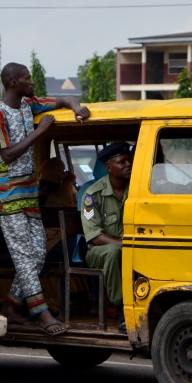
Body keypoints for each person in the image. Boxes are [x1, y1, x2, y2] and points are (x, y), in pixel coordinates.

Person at [0, 62, 90, 335]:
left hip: (28, 193)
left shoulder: (28, 105)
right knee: (23, 256)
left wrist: (76, 108)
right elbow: (6, 155)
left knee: (38, 253)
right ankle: (41, 313)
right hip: (7, 195)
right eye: (27, 79)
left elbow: (63, 99)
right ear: (13, 83)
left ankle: (11, 307)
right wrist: (40, 132)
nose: (32, 82)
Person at [81, 141, 132, 330]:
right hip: (98, 252)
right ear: (109, 168)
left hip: (127, 247)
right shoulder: (92, 195)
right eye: (122, 162)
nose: (128, 165)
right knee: (112, 251)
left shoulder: (135, 188)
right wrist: (126, 245)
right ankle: (121, 309)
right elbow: (95, 236)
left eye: (128, 160)